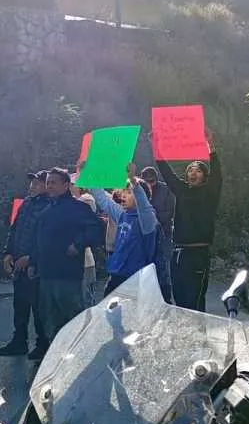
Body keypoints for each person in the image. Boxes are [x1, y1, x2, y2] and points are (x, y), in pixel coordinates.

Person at [31, 167, 104, 359]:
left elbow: (95, 231)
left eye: (54, 182)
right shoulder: (45, 211)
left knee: (71, 317)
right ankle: (54, 358)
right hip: (46, 274)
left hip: (68, 274)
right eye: (48, 183)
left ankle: (77, 357)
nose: (50, 186)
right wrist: (33, 262)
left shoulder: (79, 208)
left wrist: (78, 245)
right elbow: (36, 240)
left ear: (66, 184)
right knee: (49, 318)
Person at [155, 133, 222, 312]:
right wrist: (156, 147)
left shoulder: (210, 192)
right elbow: (167, 173)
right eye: (190, 169)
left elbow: (217, 174)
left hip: (198, 254)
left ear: (205, 176)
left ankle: (198, 339)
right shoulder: (182, 190)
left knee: (195, 301)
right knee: (179, 300)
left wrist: (210, 146)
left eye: (198, 170)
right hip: (178, 253)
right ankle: (182, 338)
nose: (193, 172)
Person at [0, 171, 52, 357]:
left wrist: (30, 258)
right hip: (18, 262)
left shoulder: (49, 205)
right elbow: (14, 230)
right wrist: (8, 253)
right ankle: (19, 341)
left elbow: (45, 239)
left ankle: (42, 343)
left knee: (38, 307)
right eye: (32, 183)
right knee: (20, 305)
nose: (32, 186)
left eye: (37, 183)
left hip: (34, 265)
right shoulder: (26, 203)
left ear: (47, 185)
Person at [88, 167, 159, 296]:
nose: (124, 195)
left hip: (136, 280)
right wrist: (88, 173)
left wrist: (133, 181)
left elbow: (144, 206)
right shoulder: (122, 215)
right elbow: (103, 199)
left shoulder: (148, 220)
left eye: (129, 192)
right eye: (123, 192)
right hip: (116, 276)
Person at [139, 165, 176, 302]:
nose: (150, 184)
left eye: (152, 181)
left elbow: (170, 212)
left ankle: (165, 298)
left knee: (163, 266)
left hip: (163, 234)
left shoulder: (166, 190)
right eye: (147, 181)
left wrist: (153, 218)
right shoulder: (139, 190)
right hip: (144, 235)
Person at [70, 184, 100, 306]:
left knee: (86, 301)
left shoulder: (86, 199)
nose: (70, 187)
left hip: (86, 262)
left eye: (72, 185)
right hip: (77, 263)